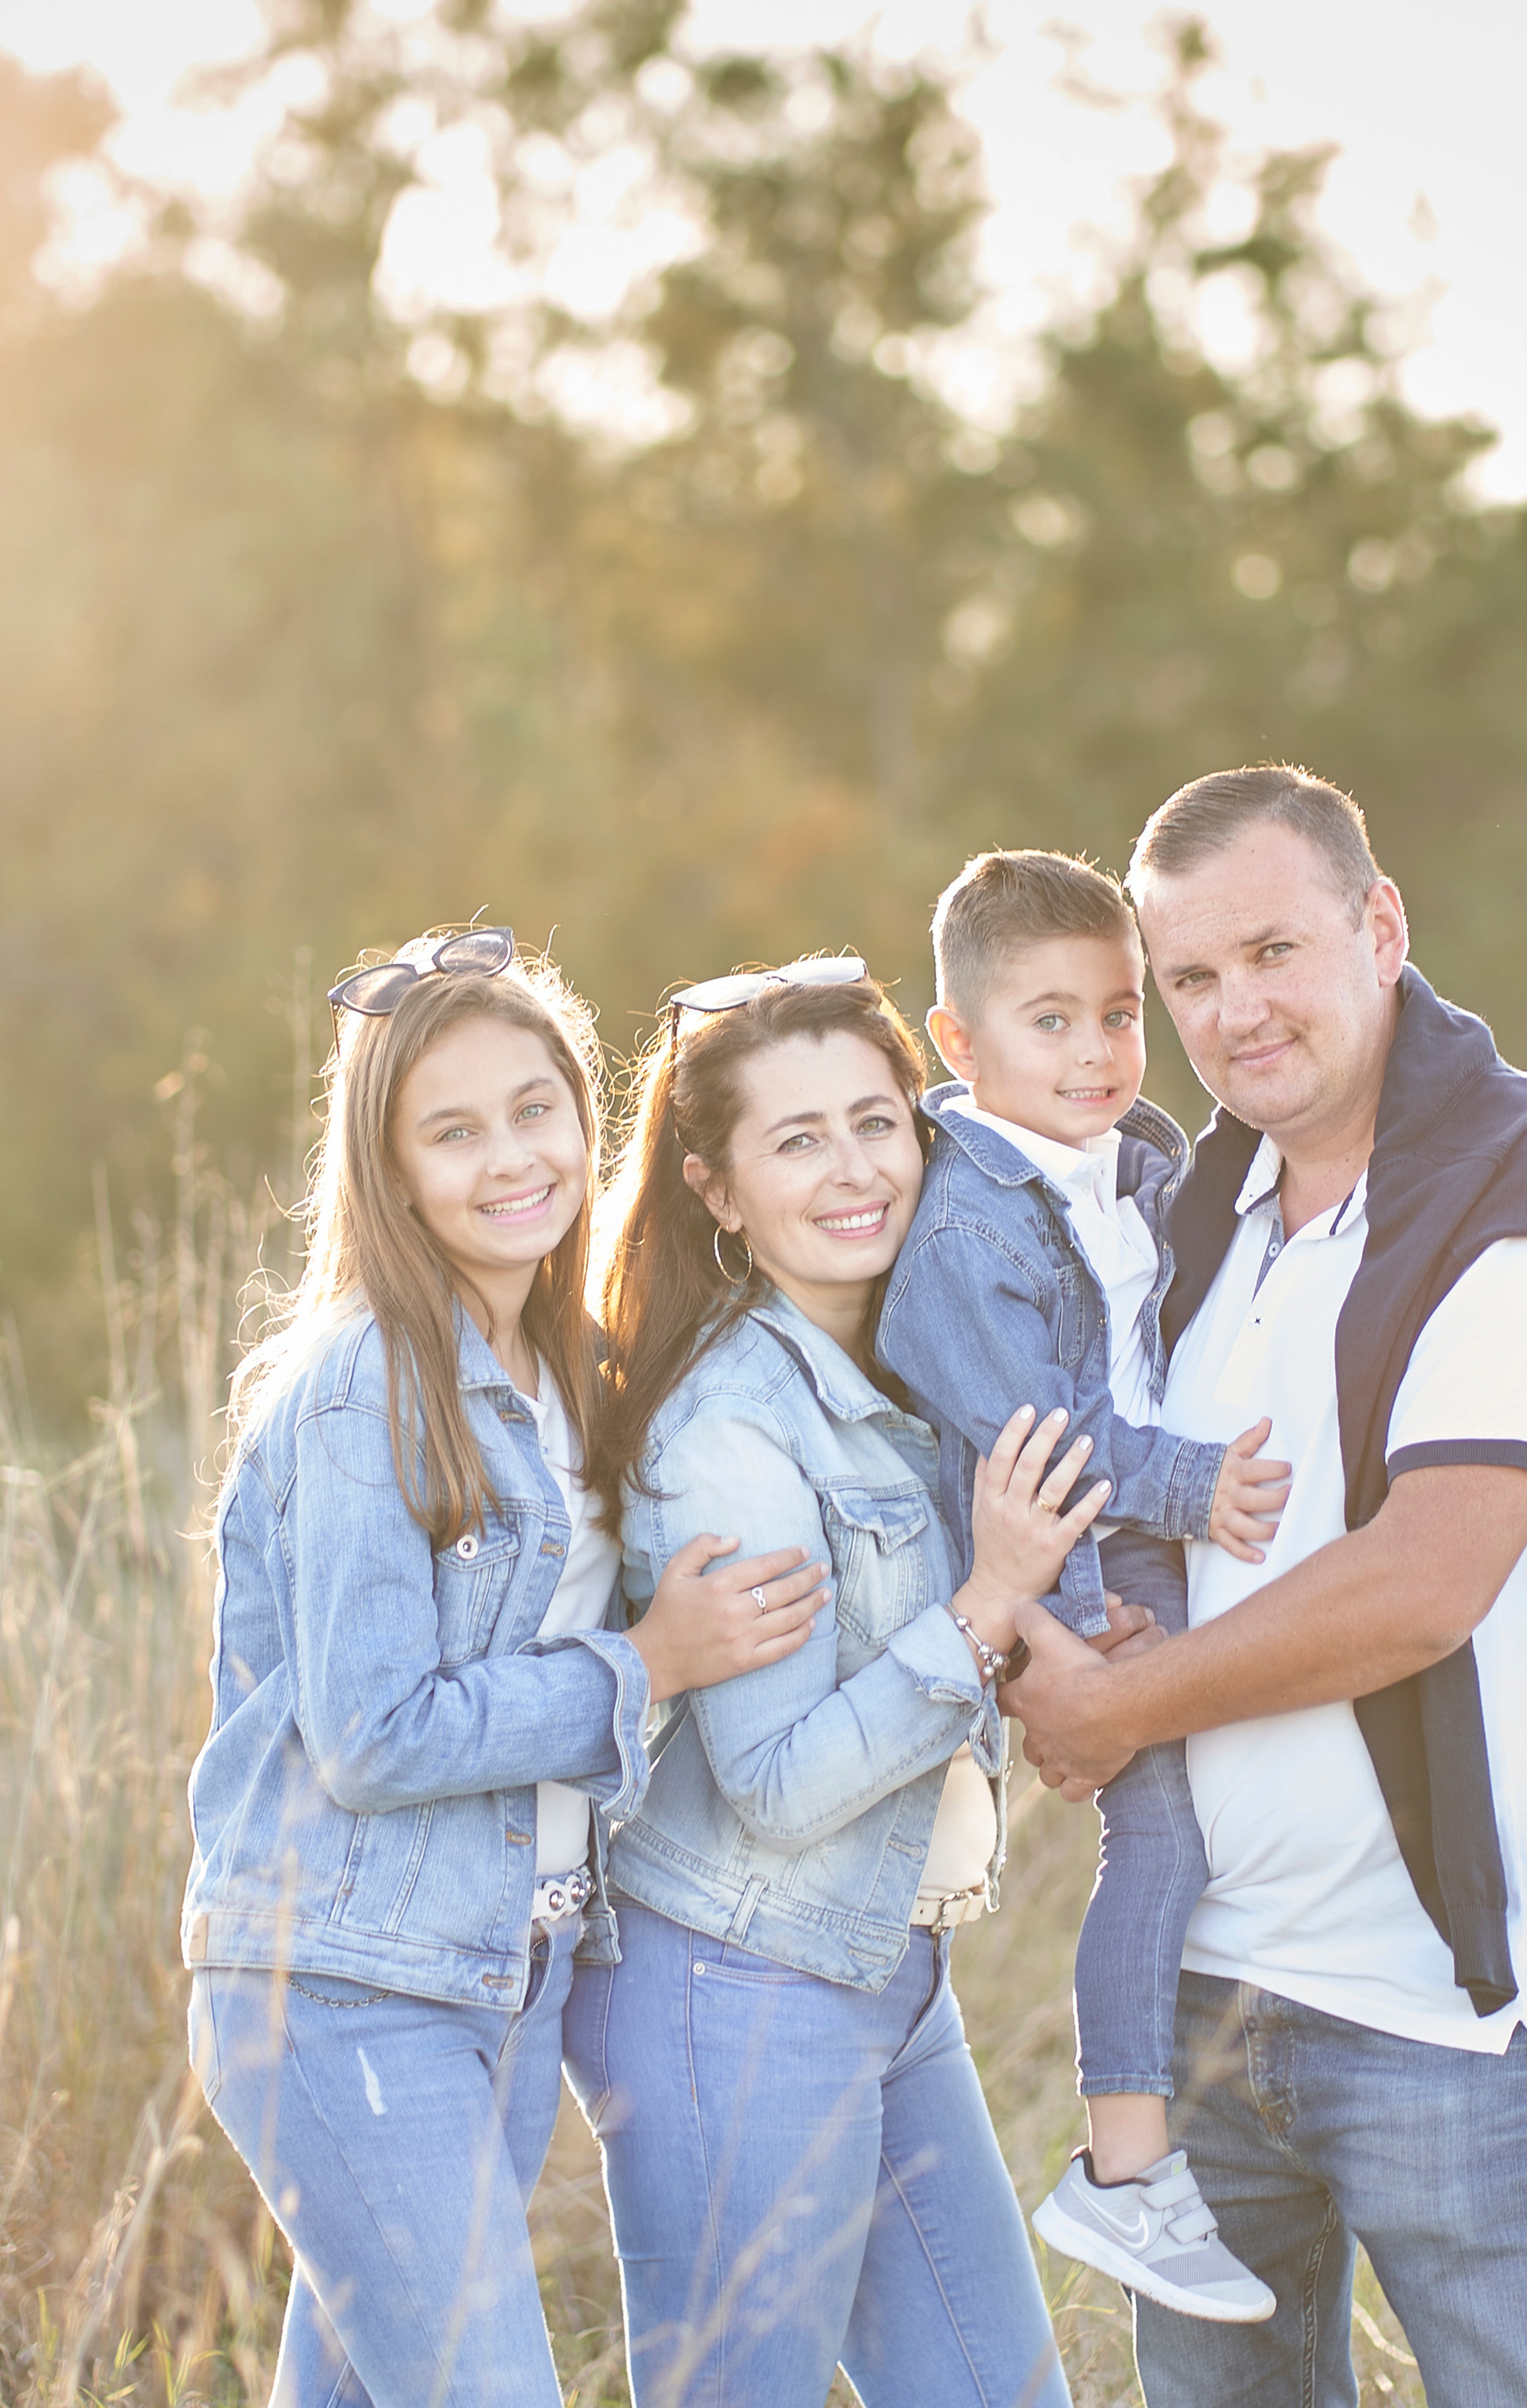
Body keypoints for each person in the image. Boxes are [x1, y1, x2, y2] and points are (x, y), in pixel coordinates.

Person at [1004, 768, 1527, 2408]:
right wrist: (1053, 1654)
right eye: (1191, 980)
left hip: (1466, 2034)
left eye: (1273, 951)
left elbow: (1422, 1583)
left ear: (1382, 926)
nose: (1237, 1011)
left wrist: (1116, 1706)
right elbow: (1130, 1518)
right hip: (1208, 2011)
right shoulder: (1197, 1221)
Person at [181, 927, 828, 2408]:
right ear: (391, 1171)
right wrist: (643, 1666)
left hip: (505, 1977)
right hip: (343, 1987)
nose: (510, 1159)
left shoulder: (562, 1371)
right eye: (452, 1132)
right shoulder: (367, 1386)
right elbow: (372, 1734)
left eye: (536, 1109)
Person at [568, 958, 1101, 2408]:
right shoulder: (730, 1427)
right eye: (797, 1140)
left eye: (878, 1122)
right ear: (716, 1191)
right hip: (729, 1988)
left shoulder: (920, 1365)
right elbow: (783, 1781)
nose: (857, 1170)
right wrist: (988, 1600)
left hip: (879, 1968)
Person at [877, 846, 1287, 2323]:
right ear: (958, 1042)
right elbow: (1036, 1437)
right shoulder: (967, 1227)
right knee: (1161, 1837)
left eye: (1117, 1014)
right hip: (1063, 1560)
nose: (1096, 1051)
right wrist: (1191, 1490)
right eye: (1047, 1021)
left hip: (1137, 1551)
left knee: (1222, 1819)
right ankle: (1123, 2168)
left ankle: (1202, 2124)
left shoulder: (1144, 1161)